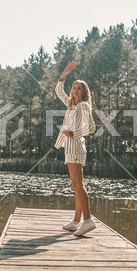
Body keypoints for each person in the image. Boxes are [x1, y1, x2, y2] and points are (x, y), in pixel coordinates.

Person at [54, 61, 97, 236]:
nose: (75, 90)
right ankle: (76, 221)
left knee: (78, 185)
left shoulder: (84, 106)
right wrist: (64, 75)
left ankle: (88, 220)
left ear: (84, 92)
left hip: (77, 147)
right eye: (74, 87)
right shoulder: (72, 105)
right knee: (75, 185)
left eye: (79, 88)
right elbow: (59, 91)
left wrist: (73, 133)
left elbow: (92, 127)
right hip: (69, 148)